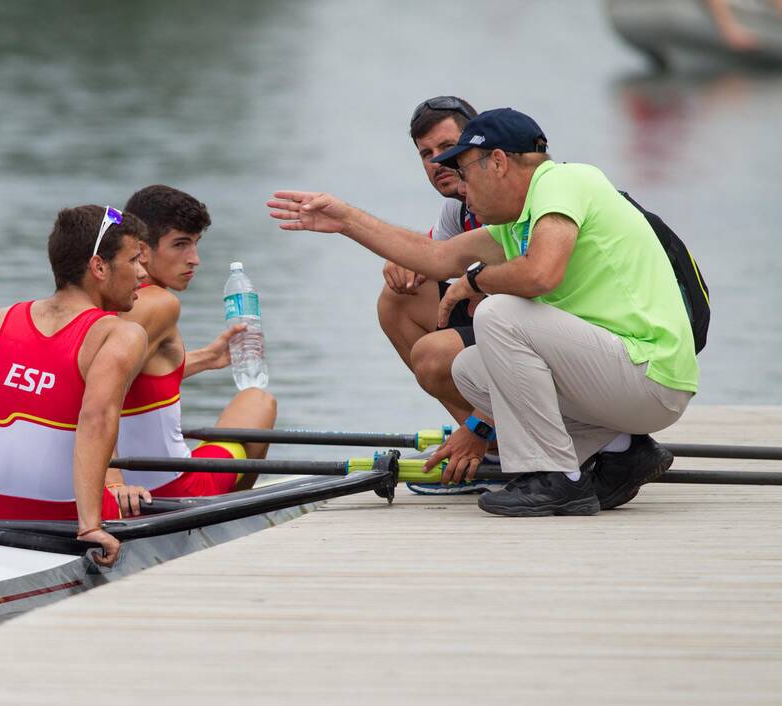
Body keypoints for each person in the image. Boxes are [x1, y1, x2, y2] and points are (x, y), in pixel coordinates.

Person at [268, 108, 698, 517]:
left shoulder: (562, 181)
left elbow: (542, 274)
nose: (458, 181)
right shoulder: (516, 223)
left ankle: (555, 478)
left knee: (498, 314)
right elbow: (434, 256)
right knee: (470, 368)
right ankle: (623, 451)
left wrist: (475, 283)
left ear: (497, 162)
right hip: (622, 389)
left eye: (465, 168)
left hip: (651, 374)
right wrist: (345, 220)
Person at [0, 205, 152, 566]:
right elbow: (96, 420)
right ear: (99, 267)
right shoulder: (121, 334)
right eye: (134, 259)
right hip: (62, 521)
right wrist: (90, 526)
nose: (143, 272)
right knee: (143, 500)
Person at [118, 184, 277, 496]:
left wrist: (209, 358)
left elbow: (123, 373)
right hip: (171, 489)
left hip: (126, 483)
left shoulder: (115, 298)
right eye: (180, 245)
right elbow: (95, 395)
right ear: (142, 249)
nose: (195, 259)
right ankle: (228, 515)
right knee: (259, 401)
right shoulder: (159, 304)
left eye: (195, 244)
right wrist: (112, 482)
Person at [377, 96, 481, 431]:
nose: (438, 162)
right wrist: (401, 259)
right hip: (507, 329)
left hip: (559, 338)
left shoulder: (512, 200)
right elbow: (429, 256)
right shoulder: (457, 208)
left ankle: (487, 428)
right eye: (426, 154)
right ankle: (488, 441)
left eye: (448, 147)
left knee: (433, 354)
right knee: (398, 297)